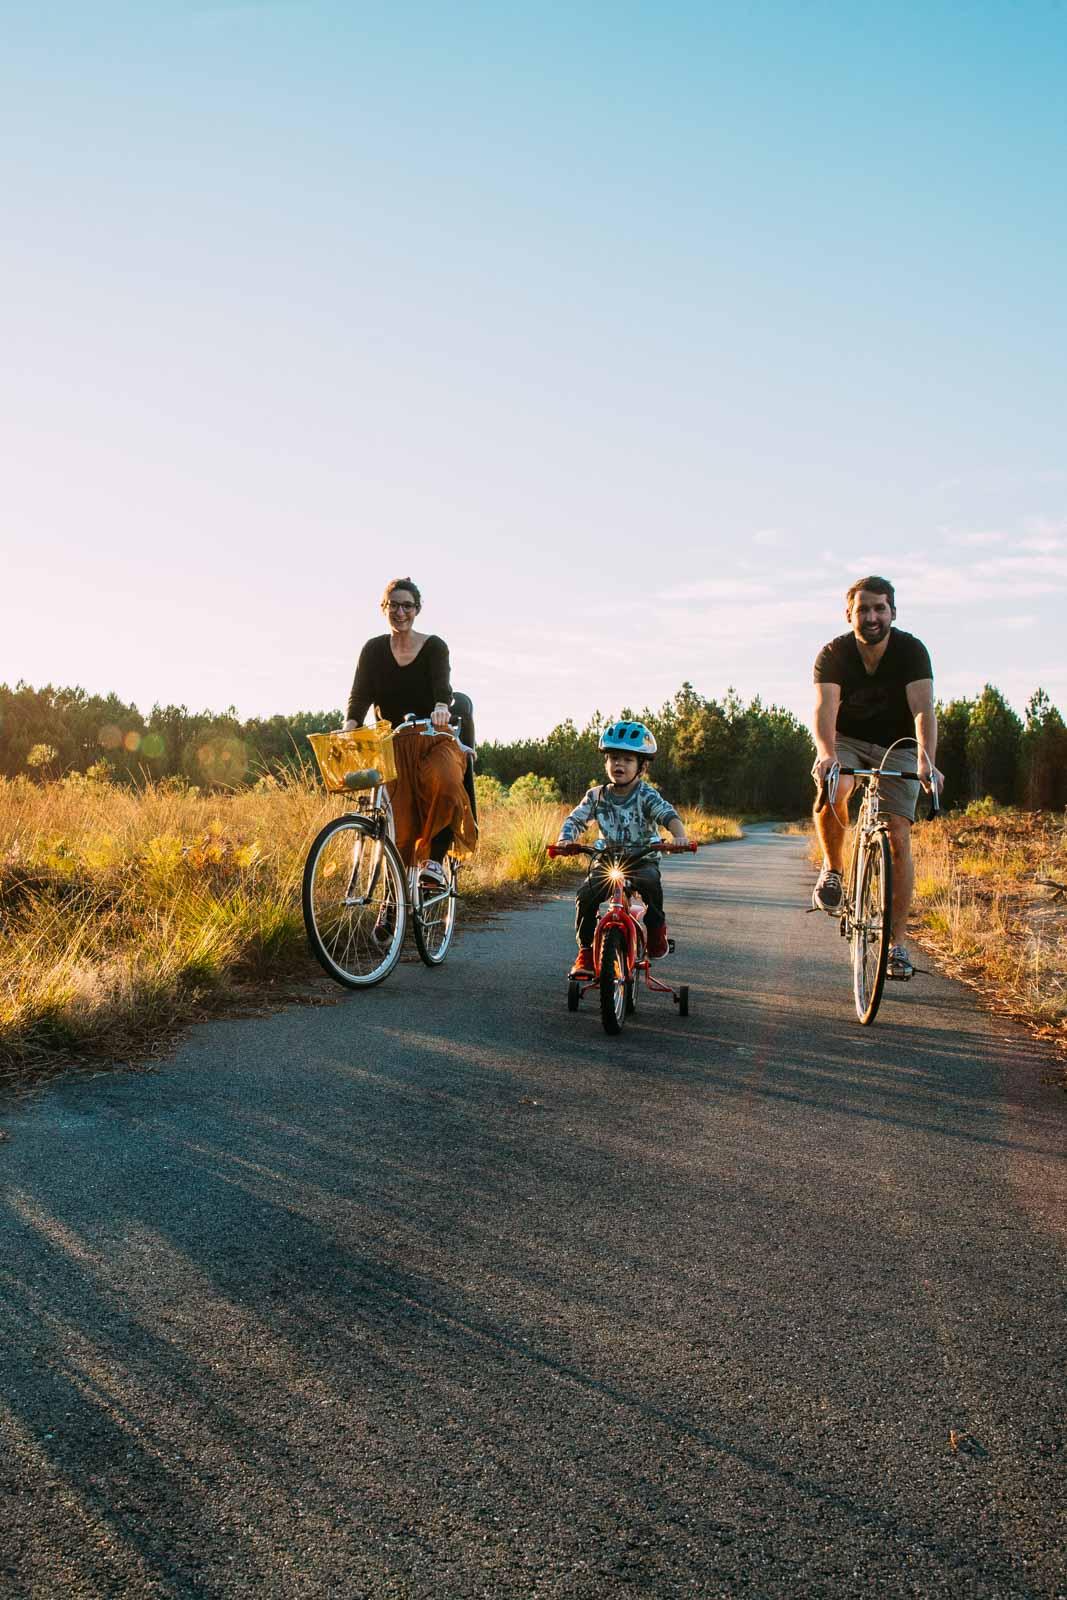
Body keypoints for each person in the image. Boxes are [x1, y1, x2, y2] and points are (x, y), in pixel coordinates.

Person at [810, 576, 943, 979]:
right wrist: (827, 755)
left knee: (898, 832)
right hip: (846, 739)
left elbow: (923, 709)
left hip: (898, 744)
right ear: (849, 613)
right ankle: (834, 869)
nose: (871, 617)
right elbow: (824, 709)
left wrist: (927, 760)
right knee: (838, 785)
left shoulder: (911, 651)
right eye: (863, 609)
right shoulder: (833, 653)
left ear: (893, 613)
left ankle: (896, 946)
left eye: (879, 608)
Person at [343, 578, 477, 882]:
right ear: (383, 607)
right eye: (394, 605)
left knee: (444, 782)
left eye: (407, 606)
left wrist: (442, 706)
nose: (400, 612)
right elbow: (359, 696)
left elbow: (442, 687)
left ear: (417, 610)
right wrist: (350, 727)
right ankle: (394, 904)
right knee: (396, 827)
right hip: (391, 744)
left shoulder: (434, 647)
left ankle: (434, 862)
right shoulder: (373, 650)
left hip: (434, 737)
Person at [556, 721, 689, 979]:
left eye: (628, 759)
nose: (619, 764)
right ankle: (585, 950)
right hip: (607, 860)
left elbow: (667, 815)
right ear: (606, 761)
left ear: (642, 766)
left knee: (651, 884)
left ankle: (656, 931)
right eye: (614, 758)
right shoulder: (596, 796)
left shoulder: (646, 795)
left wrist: (679, 837)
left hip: (641, 859)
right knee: (586, 896)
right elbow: (576, 819)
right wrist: (565, 840)